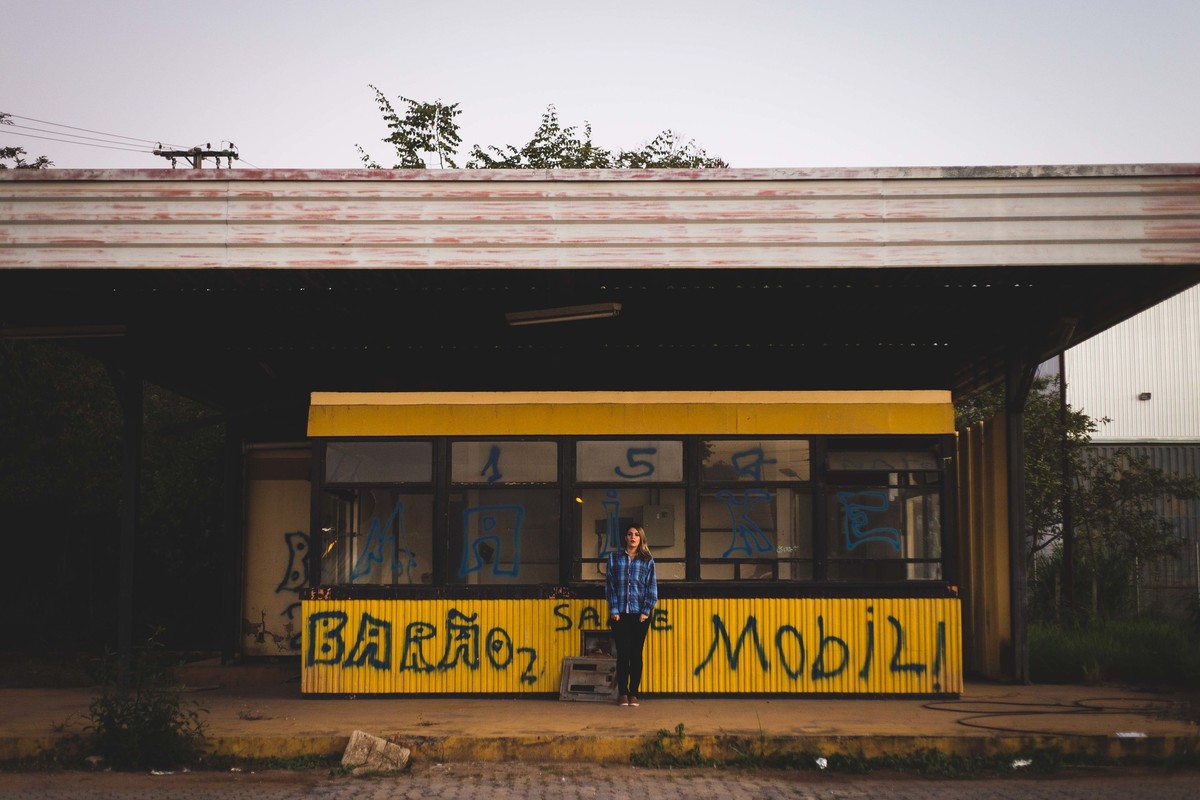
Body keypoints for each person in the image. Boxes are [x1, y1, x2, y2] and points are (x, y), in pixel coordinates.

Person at [605, 524, 658, 707]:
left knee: (636, 654)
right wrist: (613, 610)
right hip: (620, 614)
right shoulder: (614, 558)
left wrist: (646, 610)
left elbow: (651, 587)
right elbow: (610, 586)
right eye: (630, 534)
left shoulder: (647, 560)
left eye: (636, 534)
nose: (633, 537)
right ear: (625, 538)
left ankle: (634, 693)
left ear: (641, 538)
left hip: (640, 615)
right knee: (623, 654)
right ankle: (623, 693)